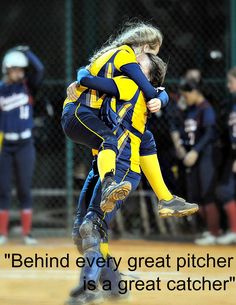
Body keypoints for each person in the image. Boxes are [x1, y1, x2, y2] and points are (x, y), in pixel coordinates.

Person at [64, 54, 198, 305]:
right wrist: (161, 95)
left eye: (137, 65)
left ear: (144, 78)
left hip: (122, 169)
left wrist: (81, 76)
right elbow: (147, 138)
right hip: (105, 165)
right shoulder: (136, 92)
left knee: (91, 227)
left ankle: (88, 288)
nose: (129, 63)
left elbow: (92, 78)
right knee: (81, 233)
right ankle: (114, 284)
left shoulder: (130, 84)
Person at [65, 21, 169, 212]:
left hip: (91, 114)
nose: (154, 59)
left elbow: (86, 74)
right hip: (79, 111)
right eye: (152, 54)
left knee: (106, 155)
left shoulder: (117, 55)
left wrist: (161, 98)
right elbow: (147, 88)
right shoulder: (126, 56)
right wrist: (159, 97)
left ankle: (87, 222)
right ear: (145, 47)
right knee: (110, 140)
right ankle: (108, 189)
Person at [0, 46, 44, 245]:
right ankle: (2, 234)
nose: (19, 72)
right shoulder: (2, 90)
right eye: (15, 69)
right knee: (3, 189)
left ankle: (27, 234)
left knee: (24, 188)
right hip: (6, 146)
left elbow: (40, 70)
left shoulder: (28, 86)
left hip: (25, 144)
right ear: (6, 69)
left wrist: (27, 53)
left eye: (21, 69)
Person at [179, 79, 221, 245]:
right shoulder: (190, 109)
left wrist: (195, 151)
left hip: (205, 155)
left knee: (207, 194)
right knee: (196, 195)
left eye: (186, 95)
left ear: (195, 92)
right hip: (192, 156)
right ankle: (208, 230)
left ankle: (214, 232)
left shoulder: (206, 108)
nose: (185, 98)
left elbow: (210, 133)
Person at [216, 67, 236, 244]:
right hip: (231, 154)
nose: (229, 85)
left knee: (225, 191)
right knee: (224, 191)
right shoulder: (232, 104)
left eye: (231, 81)